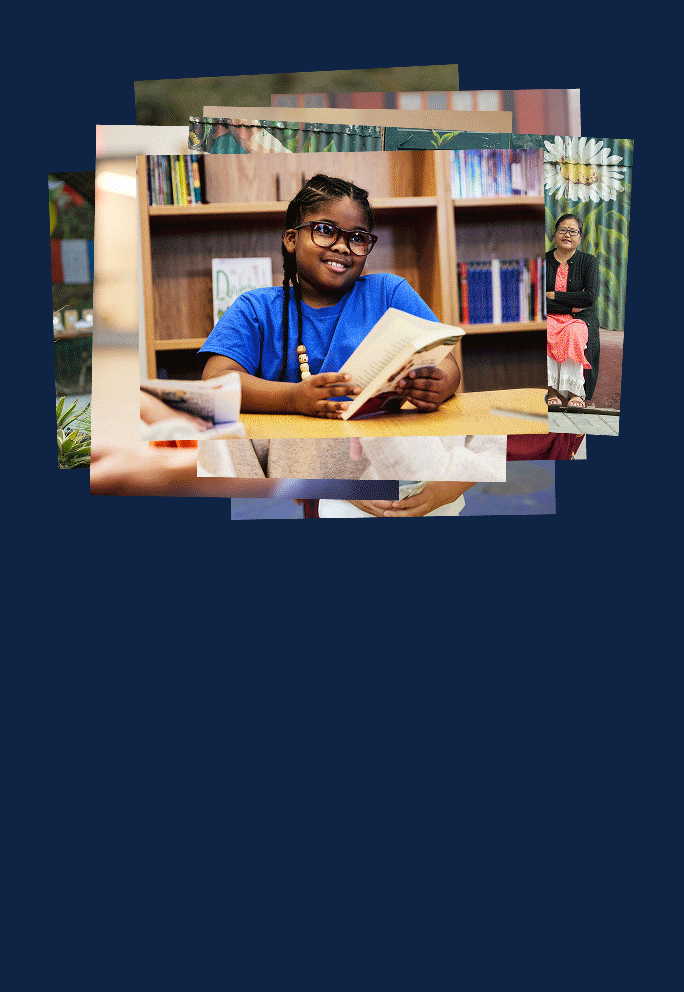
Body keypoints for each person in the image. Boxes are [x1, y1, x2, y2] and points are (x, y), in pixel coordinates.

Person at [197, 173, 461, 417]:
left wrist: (439, 384)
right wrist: (292, 398)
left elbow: (448, 365)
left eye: (357, 237)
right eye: (324, 230)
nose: (343, 247)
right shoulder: (255, 308)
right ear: (291, 239)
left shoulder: (389, 293)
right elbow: (216, 381)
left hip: (377, 444)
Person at [546, 213, 600, 408]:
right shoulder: (544, 261)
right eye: (563, 230)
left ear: (580, 237)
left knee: (573, 333)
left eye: (573, 231)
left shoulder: (589, 262)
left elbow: (590, 297)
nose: (567, 235)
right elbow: (539, 301)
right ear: (555, 234)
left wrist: (554, 295)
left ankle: (575, 393)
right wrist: (571, 304)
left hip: (579, 319)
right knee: (546, 331)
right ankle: (551, 391)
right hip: (549, 317)